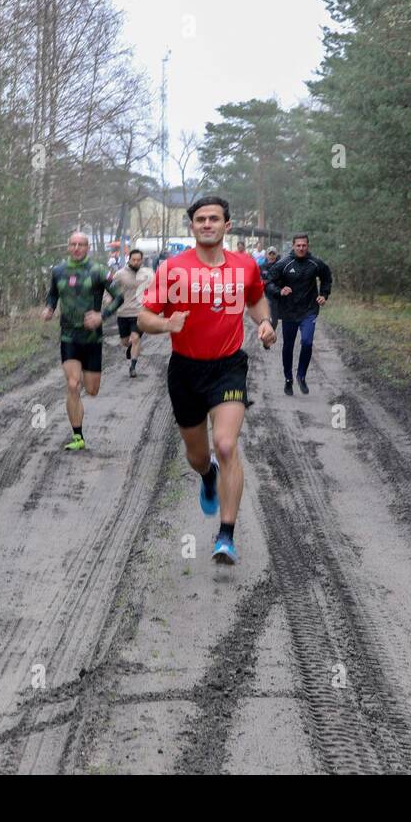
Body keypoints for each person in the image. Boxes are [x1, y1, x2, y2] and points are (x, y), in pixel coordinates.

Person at [139, 196, 276, 565]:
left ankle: (226, 536)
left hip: (229, 366)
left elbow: (257, 300)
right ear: (193, 226)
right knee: (199, 455)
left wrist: (264, 322)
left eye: (214, 218)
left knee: (227, 444)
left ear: (227, 226)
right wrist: (166, 324)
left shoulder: (245, 266)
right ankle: (207, 474)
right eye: (200, 219)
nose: (207, 224)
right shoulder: (173, 269)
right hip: (185, 370)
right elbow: (143, 317)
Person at [42, 231, 124, 450]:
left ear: (87, 247)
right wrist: (49, 308)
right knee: (72, 384)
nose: (77, 248)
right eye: (73, 244)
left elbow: (119, 297)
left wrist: (102, 316)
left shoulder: (97, 271)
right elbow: (53, 294)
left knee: (92, 389)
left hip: (92, 338)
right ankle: (78, 436)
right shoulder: (58, 271)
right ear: (68, 246)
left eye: (81, 244)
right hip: (69, 336)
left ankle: (80, 424)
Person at [270, 233, 333, 396]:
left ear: (308, 246)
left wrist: (324, 294)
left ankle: (301, 375)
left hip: (309, 311)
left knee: (307, 342)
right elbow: (269, 283)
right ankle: (288, 379)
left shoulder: (315, 263)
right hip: (289, 311)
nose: (301, 248)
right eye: (298, 245)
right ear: (293, 246)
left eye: (304, 245)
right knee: (288, 346)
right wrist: (280, 290)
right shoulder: (283, 263)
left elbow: (327, 277)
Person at [108, 248, 154, 377]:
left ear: (142, 260)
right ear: (129, 260)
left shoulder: (148, 273)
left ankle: (133, 367)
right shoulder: (120, 274)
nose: (136, 262)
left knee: (135, 338)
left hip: (139, 312)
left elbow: (155, 290)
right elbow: (110, 289)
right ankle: (133, 347)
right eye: (134, 260)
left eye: (139, 260)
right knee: (125, 341)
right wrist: (108, 299)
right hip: (123, 312)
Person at [259, 247, 282, 328]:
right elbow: (259, 279)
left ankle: (270, 335)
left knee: (274, 320)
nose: (272, 256)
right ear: (266, 255)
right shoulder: (262, 267)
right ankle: (267, 336)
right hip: (265, 296)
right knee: (265, 319)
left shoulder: (280, 266)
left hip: (276, 296)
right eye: (270, 254)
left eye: (273, 254)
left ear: (276, 255)